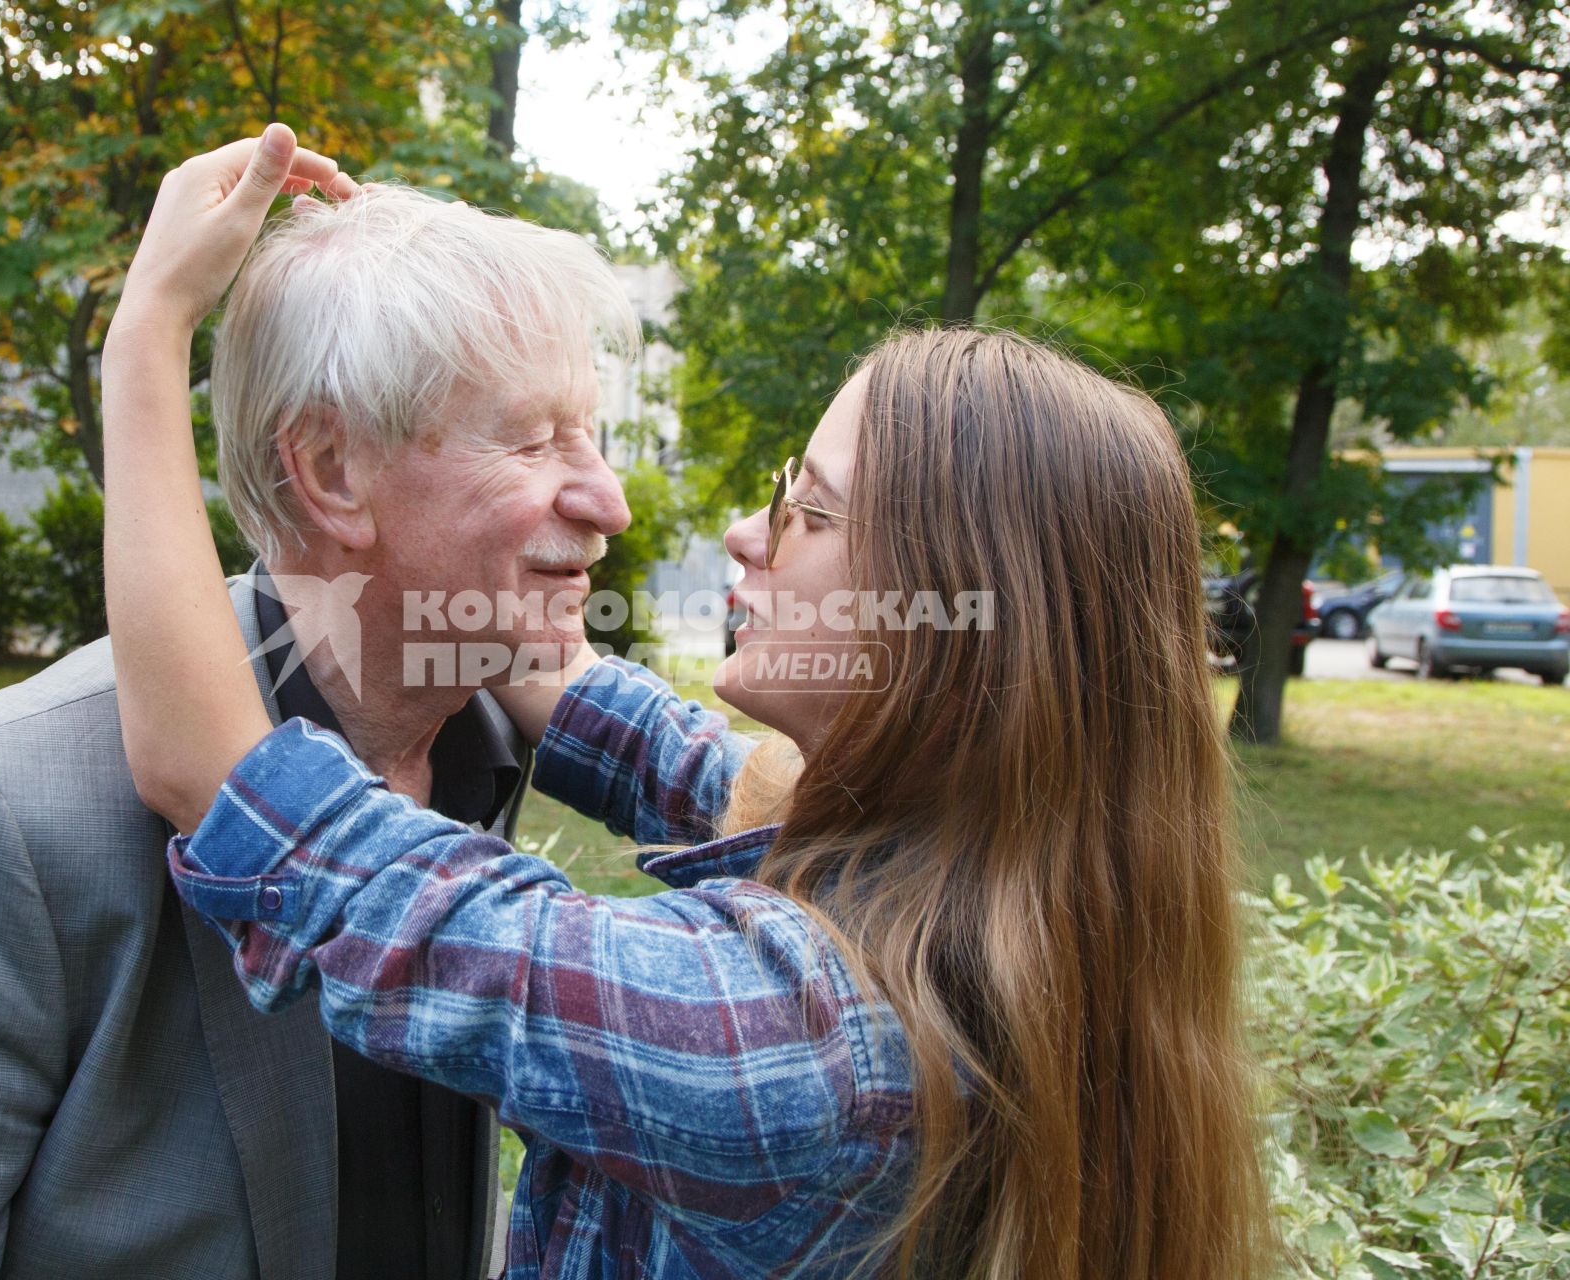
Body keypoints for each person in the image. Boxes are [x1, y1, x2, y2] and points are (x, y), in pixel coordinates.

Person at [105, 128, 1271, 1279]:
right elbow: (658, 745)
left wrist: (151, 333)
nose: (743, 533)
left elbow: (228, 784)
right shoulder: (1001, 894)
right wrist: (488, 556)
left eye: (807, 510)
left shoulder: (786, 1050)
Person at [0, 133, 637, 1280]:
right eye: (533, 439)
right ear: (331, 472)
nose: (609, 500)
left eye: (593, 434)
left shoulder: (483, 752)